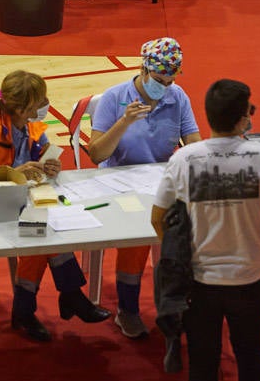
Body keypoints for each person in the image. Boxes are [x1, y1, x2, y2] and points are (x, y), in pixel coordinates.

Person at [151, 79, 260, 381]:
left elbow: (158, 218)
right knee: (251, 359)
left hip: (200, 282)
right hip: (250, 277)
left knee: (202, 364)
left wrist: (180, 254)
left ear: (207, 115)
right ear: (244, 117)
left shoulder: (184, 159)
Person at [0, 70, 111, 342]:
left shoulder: (29, 127)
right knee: (41, 231)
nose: (46, 104)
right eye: (40, 100)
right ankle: (69, 297)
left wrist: (50, 165)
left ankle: (28, 309)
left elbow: (43, 159)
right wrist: (17, 170)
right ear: (21, 107)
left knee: (44, 229)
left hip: (19, 201)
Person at [86, 37, 201, 340]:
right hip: (118, 183)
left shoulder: (178, 98)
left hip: (159, 182)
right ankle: (127, 309)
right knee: (137, 236)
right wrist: (123, 122)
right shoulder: (114, 98)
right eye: (160, 79)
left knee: (190, 229)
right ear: (143, 69)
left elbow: (193, 145)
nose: (165, 85)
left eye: (171, 79)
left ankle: (178, 304)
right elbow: (97, 154)